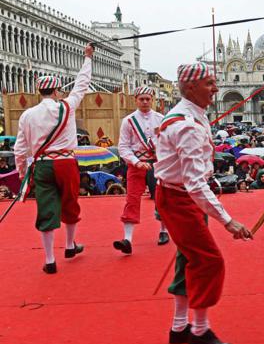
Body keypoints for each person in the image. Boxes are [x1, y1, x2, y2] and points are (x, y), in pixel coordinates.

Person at [154, 62, 252, 344]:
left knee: (189, 259)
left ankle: (179, 325)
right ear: (191, 86)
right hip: (181, 198)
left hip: (176, 194)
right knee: (209, 260)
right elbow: (195, 184)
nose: (216, 89)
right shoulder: (187, 125)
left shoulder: (183, 115)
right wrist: (228, 220)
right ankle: (199, 330)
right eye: (210, 83)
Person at [13, 44, 94, 274]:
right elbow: (81, 84)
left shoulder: (27, 115)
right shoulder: (67, 107)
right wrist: (87, 58)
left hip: (42, 165)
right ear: (57, 91)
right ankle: (69, 245)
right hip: (66, 162)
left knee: (46, 209)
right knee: (70, 203)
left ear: (40, 92)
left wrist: (22, 172)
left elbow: (20, 149)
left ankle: (49, 260)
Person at [113, 86, 169, 255]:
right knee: (132, 199)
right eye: (141, 99)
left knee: (162, 197)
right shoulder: (128, 121)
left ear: (152, 100)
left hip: (156, 163)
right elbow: (123, 147)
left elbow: (168, 143)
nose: (145, 102)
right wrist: (136, 162)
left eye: (147, 99)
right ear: (135, 100)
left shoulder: (161, 119)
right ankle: (127, 239)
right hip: (136, 164)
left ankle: (163, 231)